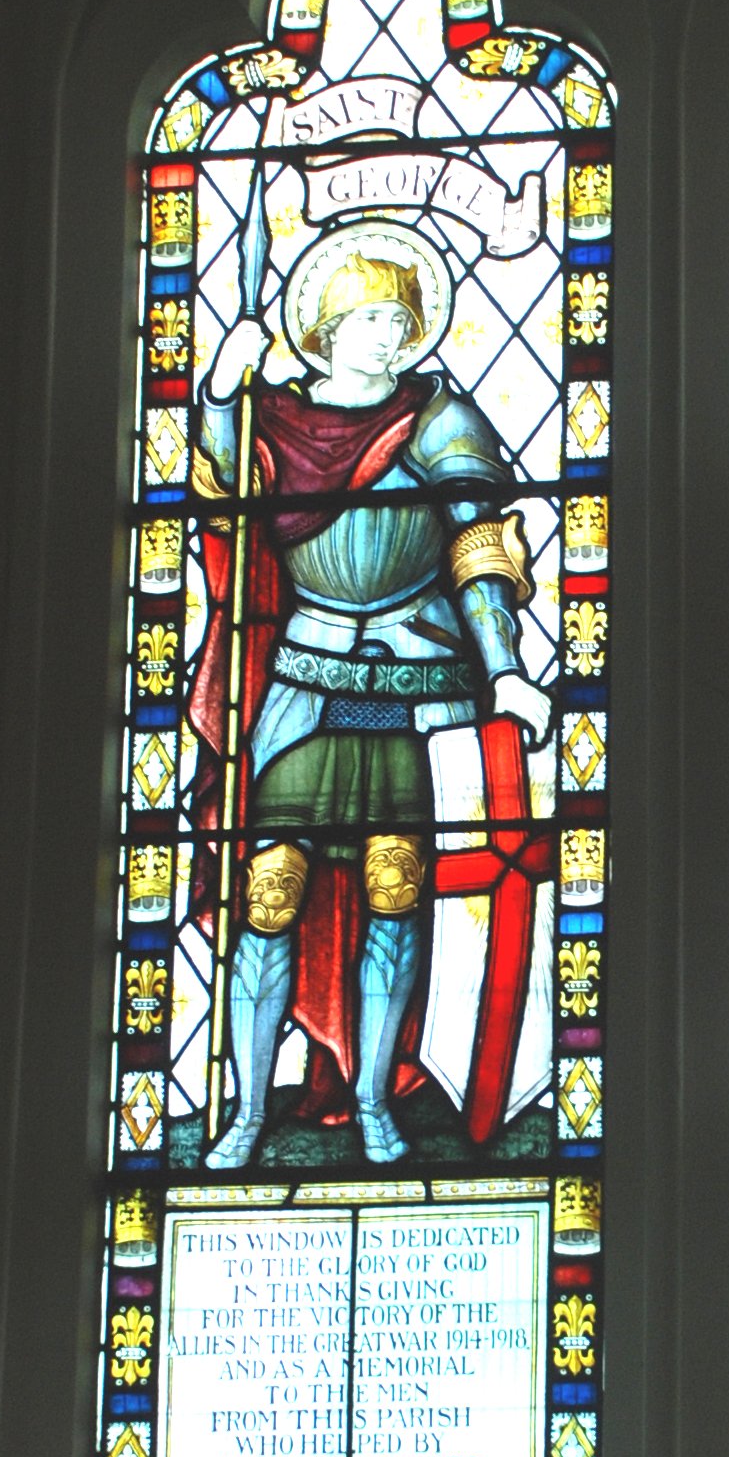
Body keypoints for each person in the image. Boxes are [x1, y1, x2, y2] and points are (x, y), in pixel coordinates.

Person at [184, 216, 548, 1166]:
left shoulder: (441, 421)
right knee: (269, 891)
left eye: (399, 319)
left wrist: (506, 670)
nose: (388, 336)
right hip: (306, 685)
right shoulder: (274, 419)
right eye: (368, 319)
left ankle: (379, 1099)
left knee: (396, 890)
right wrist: (221, 390)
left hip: (418, 688)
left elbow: (479, 546)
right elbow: (223, 490)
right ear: (325, 331)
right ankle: (247, 1112)